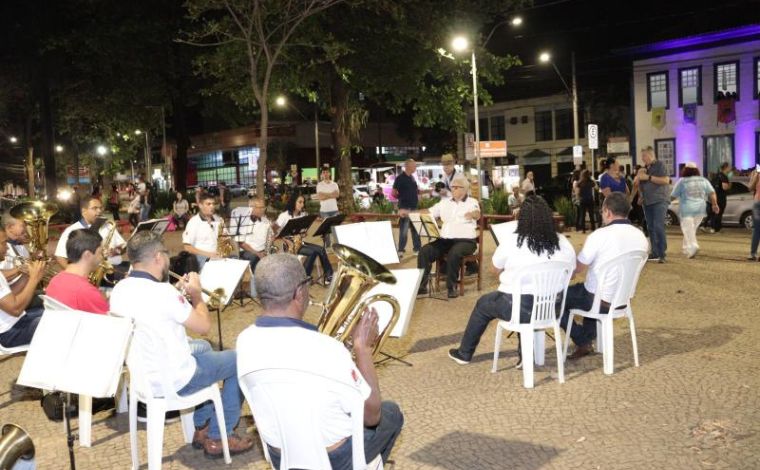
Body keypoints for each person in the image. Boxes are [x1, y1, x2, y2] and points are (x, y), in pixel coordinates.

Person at [236, 254, 404, 469]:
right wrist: (363, 350)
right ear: (299, 292)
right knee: (391, 413)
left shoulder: (244, 340)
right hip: (335, 460)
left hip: (280, 455)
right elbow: (371, 416)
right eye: (307, 283)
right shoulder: (329, 349)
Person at [110, 231, 253, 458]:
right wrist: (196, 296)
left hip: (144, 376)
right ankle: (219, 435)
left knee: (204, 347)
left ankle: (202, 425)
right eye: (166, 254)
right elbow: (204, 325)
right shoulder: (163, 292)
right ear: (158, 257)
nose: (168, 259)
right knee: (240, 360)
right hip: (175, 379)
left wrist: (176, 293)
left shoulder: (120, 289)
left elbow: (151, 309)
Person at [448, 196, 576, 367]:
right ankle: (525, 356)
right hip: (553, 307)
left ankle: (464, 353)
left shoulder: (513, 241)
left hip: (520, 309)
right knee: (521, 297)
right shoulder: (562, 241)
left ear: (520, 219)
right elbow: (572, 274)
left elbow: (494, 269)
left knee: (484, 303)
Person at [560, 193, 649, 360]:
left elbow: (578, 268)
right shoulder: (641, 236)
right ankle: (586, 339)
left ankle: (582, 340)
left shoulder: (599, 235)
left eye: (602, 212)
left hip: (598, 300)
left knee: (555, 299)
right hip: (622, 299)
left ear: (608, 212)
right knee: (592, 287)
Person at [416, 174, 480, 299]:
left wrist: (473, 214)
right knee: (425, 251)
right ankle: (422, 287)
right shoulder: (444, 203)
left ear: (464, 189)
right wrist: (413, 212)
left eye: (456, 187)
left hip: (466, 241)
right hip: (446, 240)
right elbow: (429, 212)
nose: (453, 189)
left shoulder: (472, 202)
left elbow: (477, 214)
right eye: (452, 187)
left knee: (454, 253)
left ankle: (452, 287)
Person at [0, 225, 45, 349]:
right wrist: (34, 279)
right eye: (4, 244)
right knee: (57, 324)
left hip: (18, 320)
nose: (7, 249)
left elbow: (11, 293)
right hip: (9, 332)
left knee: (56, 314)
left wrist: (27, 275)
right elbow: (15, 310)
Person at [55, 196, 127, 272]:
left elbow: (123, 246)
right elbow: (60, 256)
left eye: (100, 208)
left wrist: (114, 252)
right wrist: (75, 274)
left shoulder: (108, 225)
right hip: (89, 274)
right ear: (84, 211)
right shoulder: (71, 230)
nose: (99, 211)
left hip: (114, 269)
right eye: (95, 208)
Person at [46, 229, 109, 314]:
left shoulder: (54, 281)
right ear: (88, 255)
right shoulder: (87, 292)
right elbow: (110, 323)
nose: (102, 257)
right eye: (100, 252)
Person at [275, 194, 333, 283]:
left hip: (300, 242)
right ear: (293, 202)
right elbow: (276, 231)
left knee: (321, 249)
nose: (302, 205)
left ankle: (329, 275)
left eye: (303, 202)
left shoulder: (303, 214)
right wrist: (285, 239)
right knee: (313, 252)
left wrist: (303, 233)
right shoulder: (284, 215)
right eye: (300, 202)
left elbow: (304, 232)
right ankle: (305, 275)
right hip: (289, 245)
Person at [670, 163, 719, 259]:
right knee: (691, 229)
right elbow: (712, 193)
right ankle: (686, 248)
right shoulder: (703, 180)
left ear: (685, 170)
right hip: (700, 208)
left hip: (687, 209)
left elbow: (673, 196)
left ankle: (693, 245)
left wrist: (666, 202)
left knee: (687, 228)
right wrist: (714, 204)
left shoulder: (682, 181)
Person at [636, 146, 670, 263]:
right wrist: (640, 195)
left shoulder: (660, 165)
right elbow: (641, 185)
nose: (642, 158)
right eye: (642, 156)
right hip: (647, 201)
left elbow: (665, 180)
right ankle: (654, 252)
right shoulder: (645, 168)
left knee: (658, 226)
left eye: (644, 156)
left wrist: (648, 177)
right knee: (650, 227)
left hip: (659, 200)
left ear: (651, 155)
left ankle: (662, 254)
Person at [183, 192, 225, 268]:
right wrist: (209, 254)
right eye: (208, 204)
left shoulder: (219, 220)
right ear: (200, 205)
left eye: (213, 204)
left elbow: (225, 240)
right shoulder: (193, 222)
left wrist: (223, 252)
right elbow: (187, 247)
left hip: (218, 257)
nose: (212, 206)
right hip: (202, 259)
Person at [393, 159, 422, 257]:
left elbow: (416, 191)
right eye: (414, 165)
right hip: (404, 208)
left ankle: (417, 249)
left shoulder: (412, 178)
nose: (415, 167)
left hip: (414, 208)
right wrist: (401, 199)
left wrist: (427, 192)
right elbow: (393, 192)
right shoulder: (400, 178)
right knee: (404, 230)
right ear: (408, 166)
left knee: (415, 229)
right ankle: (401, 250)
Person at [237, 197, 271, 276]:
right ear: (251, 208)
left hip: (263, 251)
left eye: (264, 207)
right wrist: (258, 254)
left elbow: (269, 238)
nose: (263, 209)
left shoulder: (265, 220)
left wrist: (266, 251)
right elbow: (241, 244)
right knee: (256, 262)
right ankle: (254, 282)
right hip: (248, 252)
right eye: (261, 207)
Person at [705, 162, 731, 233]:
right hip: (721, 198)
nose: (730, 169)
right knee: (719, 213)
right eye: (729, 167)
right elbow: (724, 187)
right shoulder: (724, 176)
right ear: (726, 167)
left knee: (714, 213)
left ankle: (712, 228)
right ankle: (717, 229)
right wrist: (729, 186)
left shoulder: (716, 176)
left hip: (714, 197)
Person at [317, 168, 340, 247]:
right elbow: (320, 197)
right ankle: (328, 246)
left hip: (334, 210)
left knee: (335, 229)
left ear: (329, 173)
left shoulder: (334, 184)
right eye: (324, 172)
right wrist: (331, 194)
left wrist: (325, 194)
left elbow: (337, 195)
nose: (325, 174)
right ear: (322, 174)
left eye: (327, 172)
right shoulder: (319, 185)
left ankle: (337, 245)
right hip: (324, 211)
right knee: (326, 230)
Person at [748, 169, 760, 261]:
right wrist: (755, 178)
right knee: (757, 230)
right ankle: (753, 254)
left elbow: (750, 187)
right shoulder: (756, 173)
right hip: (757, 204)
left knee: (757, 230)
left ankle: (753, 254)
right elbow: (750, 187)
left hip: (757, 203)